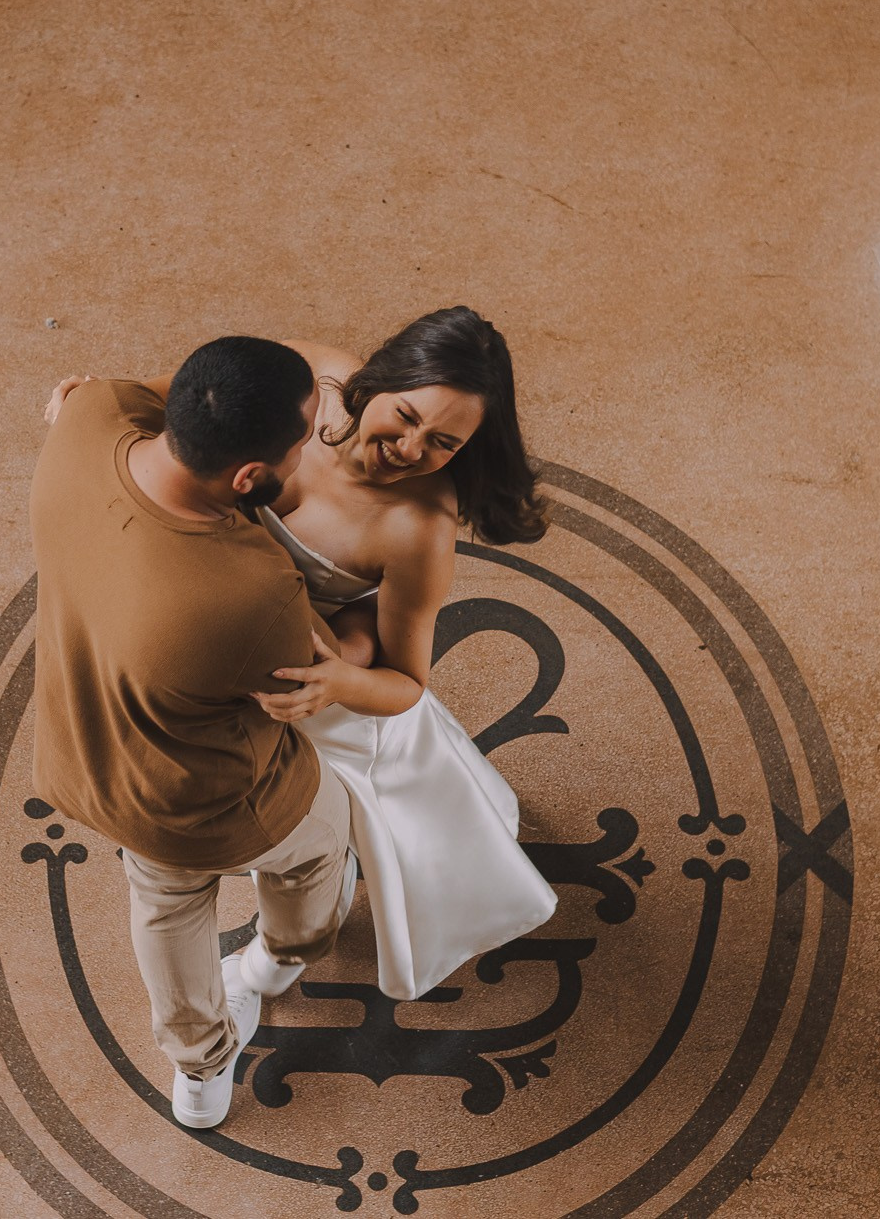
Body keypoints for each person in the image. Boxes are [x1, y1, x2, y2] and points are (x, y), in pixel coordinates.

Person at [43, 306, 557, 1002]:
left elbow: (407, 683)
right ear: (372, 384)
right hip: (220, 630)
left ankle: (279, 959)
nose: (410, 449)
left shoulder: (419, 528)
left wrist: (341, 675)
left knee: (321, 836)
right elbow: (197, 408)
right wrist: (88, 398)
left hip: (315, 679)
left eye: (442, 443)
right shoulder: (305, 377)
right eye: (404, 416)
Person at [29, 335, 358, 1132]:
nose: (318, 443)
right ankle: (278, 958)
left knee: (165, 907)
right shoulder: (250, 589)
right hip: (212, 803)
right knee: (322, 842)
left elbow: (146, 386)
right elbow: (321, 678)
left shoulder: (88, 416)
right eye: (307, 438)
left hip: (83, 755)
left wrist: (329, 378)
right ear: (249, 479)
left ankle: (201, 1072)